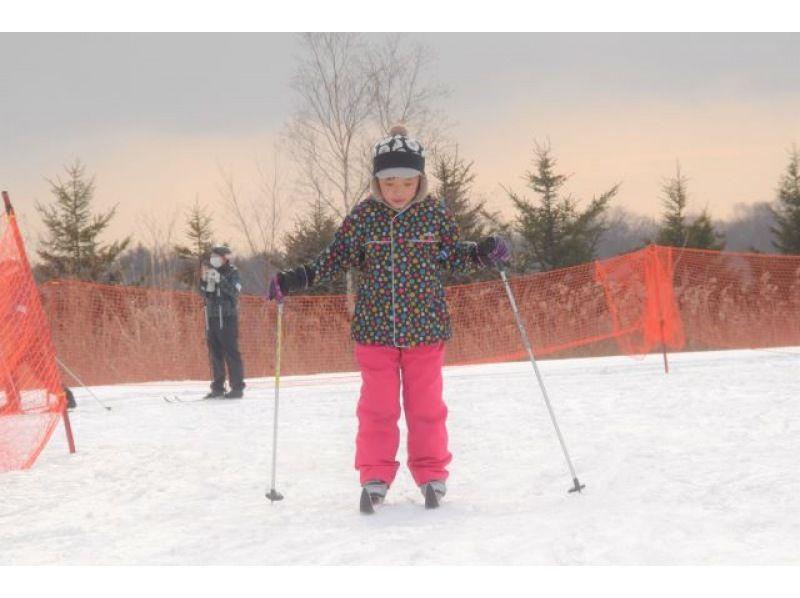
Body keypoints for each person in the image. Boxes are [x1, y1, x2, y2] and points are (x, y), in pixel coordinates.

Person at [267, 125, 510, 508]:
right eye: (389, 183)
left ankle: (431, 474)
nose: (398, 191)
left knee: (426, 408)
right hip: (375, 331)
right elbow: (334, 256)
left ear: (420, 181)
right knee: (377, 408)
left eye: (406, 183)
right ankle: (375, 474)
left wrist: (482, 252)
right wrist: (297, 278)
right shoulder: (365, 218)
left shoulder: (433, 215)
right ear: (378, 183)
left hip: (425, 329)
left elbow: (452, 254)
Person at [199, 245, 246, 399]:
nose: (214, 259)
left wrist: (221, 281)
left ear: (225, 258)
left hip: (227, 317)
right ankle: (218, 387)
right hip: (211, 317)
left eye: (217, 256)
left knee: (231, 352)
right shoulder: (211, 271)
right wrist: (205, 282)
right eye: (212, 256)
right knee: (215, 353)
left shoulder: (233, 272)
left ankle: (237, 387)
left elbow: (234, 292)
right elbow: (204, 293)